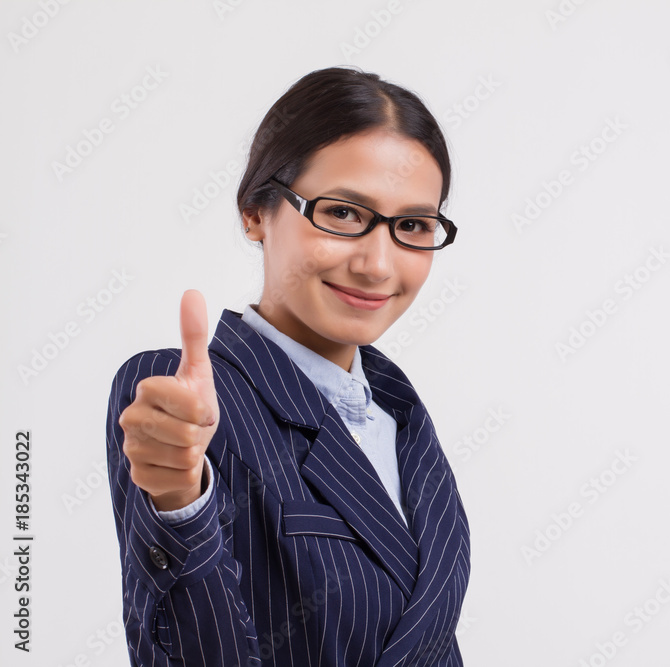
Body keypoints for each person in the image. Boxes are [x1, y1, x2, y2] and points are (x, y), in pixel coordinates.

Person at [105, 67, 471, 666]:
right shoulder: (182, 400)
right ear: (256, 211)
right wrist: (178, 502)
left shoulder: (397, 413)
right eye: (345, 214)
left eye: (411, 226)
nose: (378, 264)